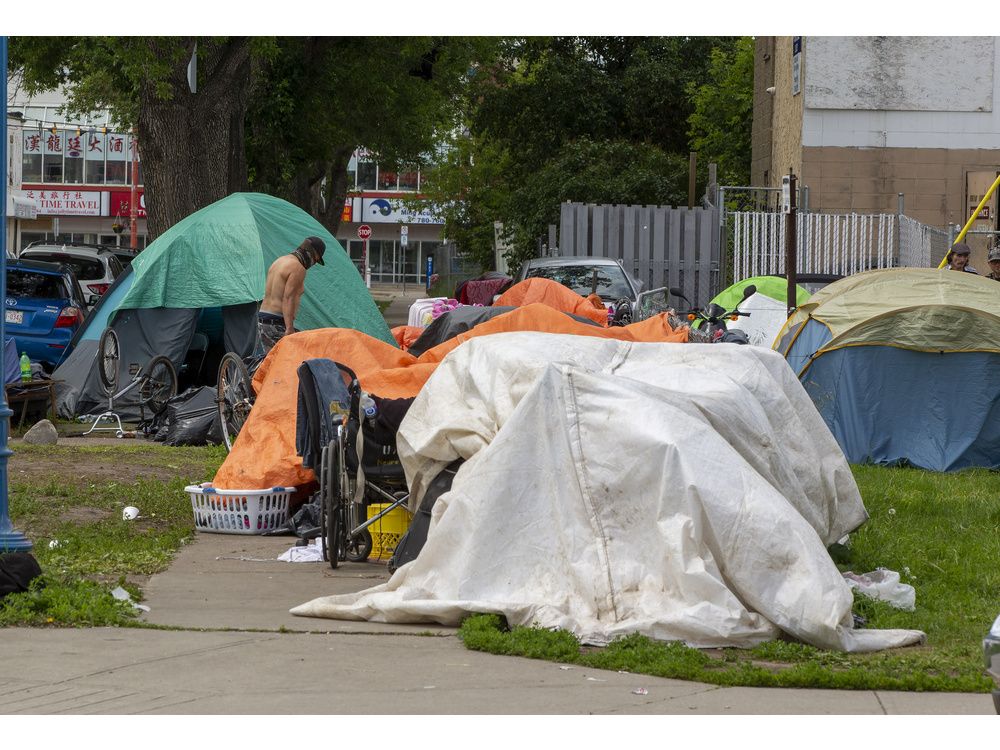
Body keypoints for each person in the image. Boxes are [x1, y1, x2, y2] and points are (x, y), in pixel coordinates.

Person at [258, 236, 326, 352]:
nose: (313, 264)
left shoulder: (280, 261)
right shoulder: (298, 268)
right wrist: (289, 328)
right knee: (293, 358)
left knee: (271, 360)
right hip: (276, 322)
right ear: (311, 253)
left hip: (263, 318)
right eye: (315, 259)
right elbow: (288, 298)